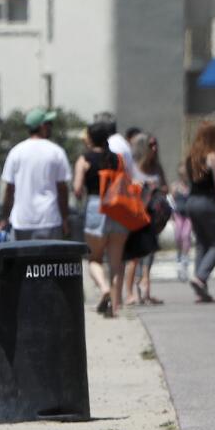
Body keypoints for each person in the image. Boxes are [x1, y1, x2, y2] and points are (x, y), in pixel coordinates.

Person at [73, 122, 128, 317]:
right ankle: (113, 307)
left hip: (96, 207)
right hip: (118, 209)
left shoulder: (84, 159)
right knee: (115, 263)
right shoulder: (117, 159)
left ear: (90, 138)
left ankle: (104, 288)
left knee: (94, 259)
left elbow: (77, 189)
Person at [0, 108, 72, 241]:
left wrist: (4, 217)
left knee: (22, 261)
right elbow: (62, 189)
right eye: (49, 124)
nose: (51, 128)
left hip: (21, 220)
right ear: (42, 126)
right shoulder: (56, 152)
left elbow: (9, 189)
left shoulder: (16, 152)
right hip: (49, 219)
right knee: (49, 261)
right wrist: (65, 218)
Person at [185, 122, 215, 303]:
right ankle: (200, 277)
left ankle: (201, 289)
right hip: (207, 202)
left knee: (202, 244)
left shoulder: (191, 157)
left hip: (191, 201)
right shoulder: (212, 157)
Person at [124, 133, 166, 306]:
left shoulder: (157, 168)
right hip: (136, 215)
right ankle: (129, 294)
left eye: (156, 144)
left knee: (149, 254)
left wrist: (158, 190)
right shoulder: (133, 167)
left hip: (152, 217)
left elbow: (166, 188)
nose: (154, 148)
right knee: (134, 256)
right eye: (151, 145)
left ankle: (145, 289)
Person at [169, 163, 193, 281]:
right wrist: (171, 214)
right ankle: (179, 256)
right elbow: (171, 201)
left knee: (186, 235)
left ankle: (184, 259)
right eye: (182, 174)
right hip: (178, 215)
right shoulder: (175, 186)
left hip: (188, 215)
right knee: (178, 235)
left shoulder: (191, 186)